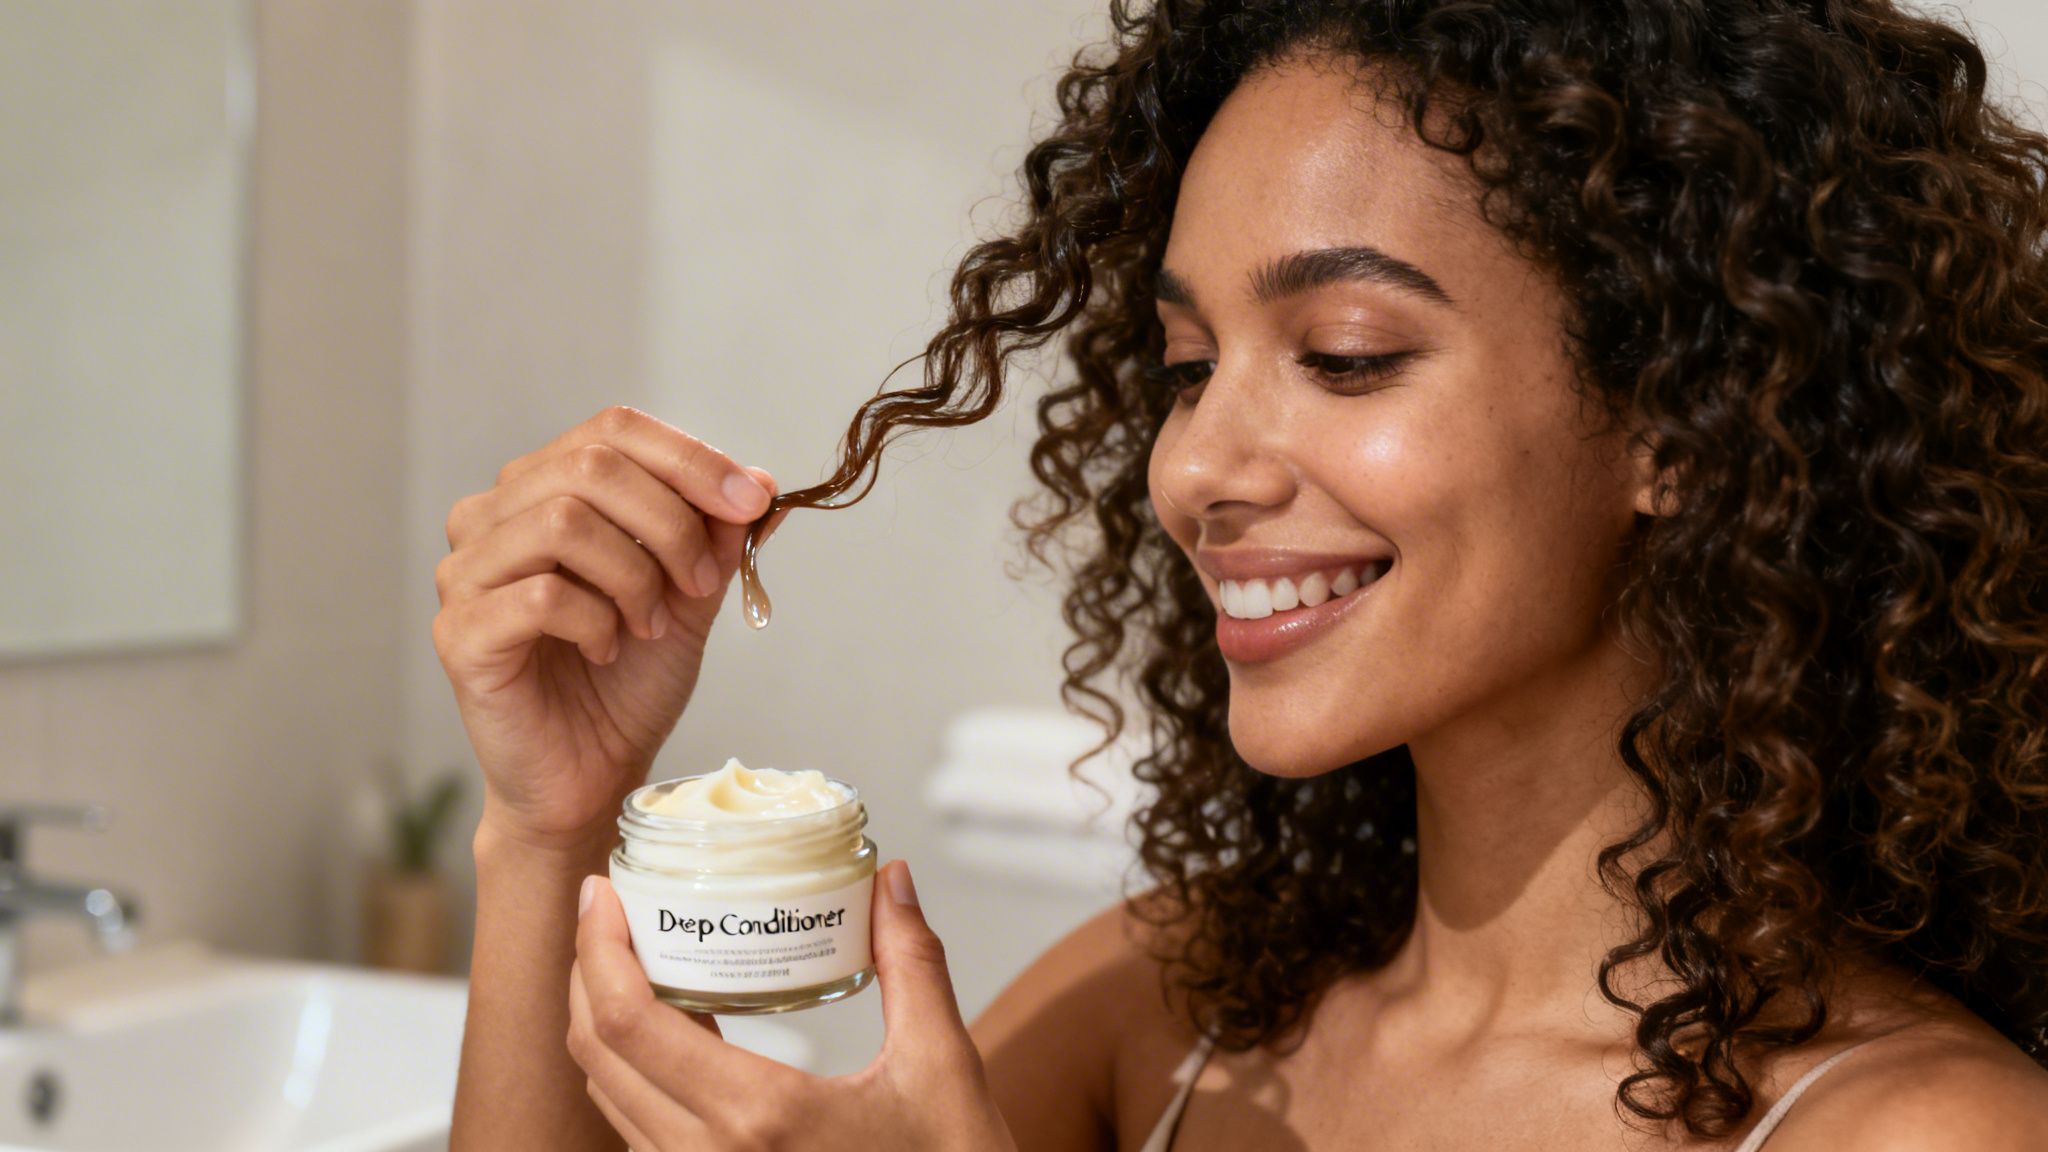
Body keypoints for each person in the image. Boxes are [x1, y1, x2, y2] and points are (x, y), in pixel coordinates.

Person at [435, 1, 2048, 1147]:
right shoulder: (1171, 1010)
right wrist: (551, 821)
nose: (1194, 464)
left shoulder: (1925, 1128)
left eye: (1346, 355)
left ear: (1683, 419)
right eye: (1192, 363)